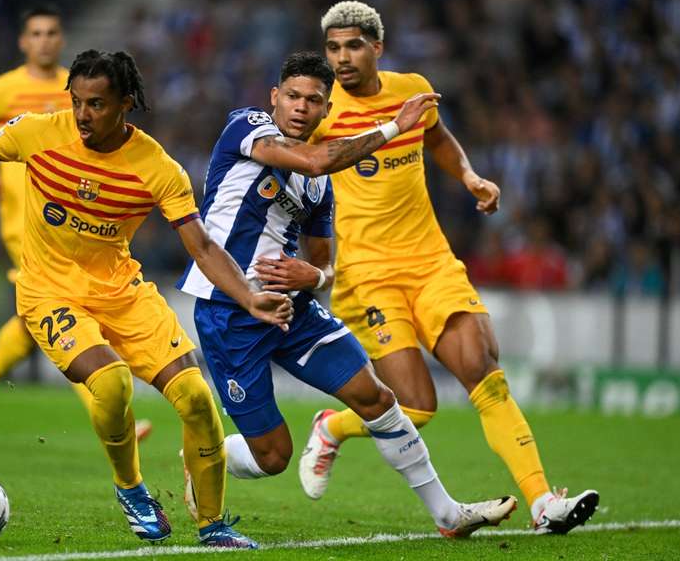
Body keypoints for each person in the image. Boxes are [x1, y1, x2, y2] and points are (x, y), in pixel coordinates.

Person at [0, 49, 294, 548]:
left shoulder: (157, 168)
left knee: (197, 399)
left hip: (121, 291)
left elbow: (202, 246)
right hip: (48, 292)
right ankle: (131, 488)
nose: (82, 115)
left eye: (96, 104)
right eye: (76, 101)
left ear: (126, 103)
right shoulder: (39, 132)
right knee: (113, 384)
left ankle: (212, 525)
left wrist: (249, 297)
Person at [178, 51, 516, 537]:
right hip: (229, 310)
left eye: (314, 101)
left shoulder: (318, 191)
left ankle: (448, 514)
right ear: (275, 98)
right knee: (273, 456)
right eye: (292, 96)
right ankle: (206, 453)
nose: (300, 107)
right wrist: (394, 128)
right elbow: (318, 159)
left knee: (376, 396)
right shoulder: (246, 127)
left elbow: (324, 264)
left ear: (325, 111)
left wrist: (310, 279)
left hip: (293, 310)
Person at [292, 1, 598, 535]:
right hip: (367, 274)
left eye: (353, 46)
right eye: (333, 48)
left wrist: (470, 177)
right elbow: (306, 166)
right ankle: (333, 427)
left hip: (430, 261)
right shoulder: (320, 110)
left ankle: (543, 503)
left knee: (485, 373)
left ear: (377, 47)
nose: (341, 58)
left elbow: (435, 136)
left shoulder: (411, 88)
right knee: (417, 406)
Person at [0, 4, 153, 446]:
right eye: (35, 33)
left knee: (38, 318)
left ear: (61, 40)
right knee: (69, 310)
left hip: (70, 220)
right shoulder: (1, 90)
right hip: (27, 224)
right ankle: (111, 414)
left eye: (51, 33)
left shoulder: (74, 92)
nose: (43, 40)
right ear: (23, 41)